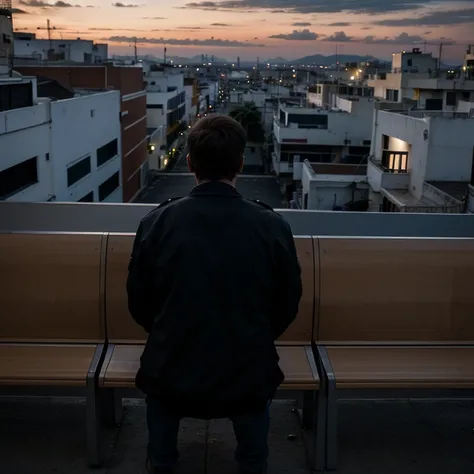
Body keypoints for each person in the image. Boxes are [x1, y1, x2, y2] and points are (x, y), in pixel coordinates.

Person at [127, 114, 302, 474]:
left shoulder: (156, 223)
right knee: (253, 459)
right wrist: (256, 336)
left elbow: (139, 301)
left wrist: (167, 332)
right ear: (240, 163)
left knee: (160, 458)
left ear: (189, 162)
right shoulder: (272, 225)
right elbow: (287, 303)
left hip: (170, 366)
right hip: (247, 368)